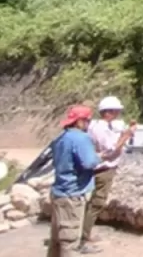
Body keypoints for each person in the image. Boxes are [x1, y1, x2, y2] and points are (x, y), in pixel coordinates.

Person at [81, 96, 137, 249]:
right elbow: (110, 150)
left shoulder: (99, 126)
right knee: (97, 202)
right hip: (103, 168)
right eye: (116, 111)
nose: (118, 114)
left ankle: (84, 232)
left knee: (94, 202)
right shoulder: (100, 128)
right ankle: (84, 236)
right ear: (109, 112)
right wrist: (126, 136)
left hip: (101, 167)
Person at [49, 105, 102, 256]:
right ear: (80, 121)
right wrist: (99, 157)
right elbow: (89, 162)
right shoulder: (81, 138)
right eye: (87, 121)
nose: (88, 124)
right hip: (72, 194)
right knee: (70, 241)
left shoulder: (60, 138)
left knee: (56, 240)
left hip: (58, 192)